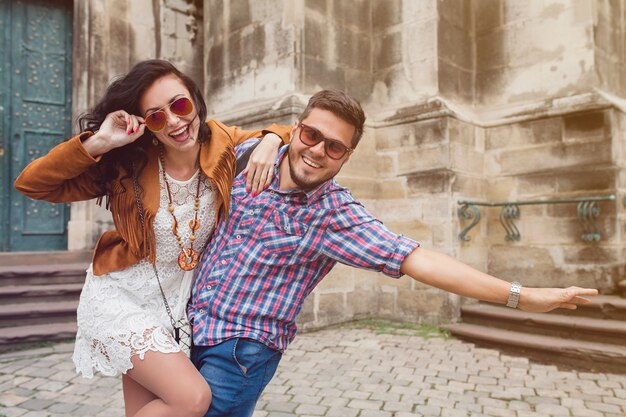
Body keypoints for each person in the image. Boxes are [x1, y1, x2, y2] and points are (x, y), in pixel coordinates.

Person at [188, 89, 599, 417]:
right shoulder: (245, 159)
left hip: (240, 352)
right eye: (311, 136)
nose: (316, 151)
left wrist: (521, 296)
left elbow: (417, 259)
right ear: (295, 130)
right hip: (185, 325)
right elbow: (184, 130)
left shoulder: (334, 214)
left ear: (347, 157)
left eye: (334, 147)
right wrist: (268, 137)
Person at [14, 59, 291, 417]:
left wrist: (271, 139)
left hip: (173, 305)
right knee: (191, 399)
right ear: (147, 124)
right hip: (120, 297)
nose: (175, 121)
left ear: (194, 98)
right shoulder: (125, 162)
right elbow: (32, 183)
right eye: (158, 116)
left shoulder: (223, 142)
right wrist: (100, 141)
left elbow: (297, 132)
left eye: (180, 105)